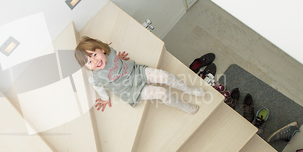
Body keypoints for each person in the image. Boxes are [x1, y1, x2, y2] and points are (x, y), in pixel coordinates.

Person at [74, 36, 205, 114]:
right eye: (89, 62)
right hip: (131, 90)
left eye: (95, 55)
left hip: (136, 72)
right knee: (162, 93)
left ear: (102, 49)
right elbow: (97, 86)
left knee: (166, 76)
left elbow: (112, 58)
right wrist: (104, 97)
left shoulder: (111, 53)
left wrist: (118, 59)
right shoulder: (97, 76)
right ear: (87, 67)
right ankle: (183, 106)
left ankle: (189, 90)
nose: (95, 62)